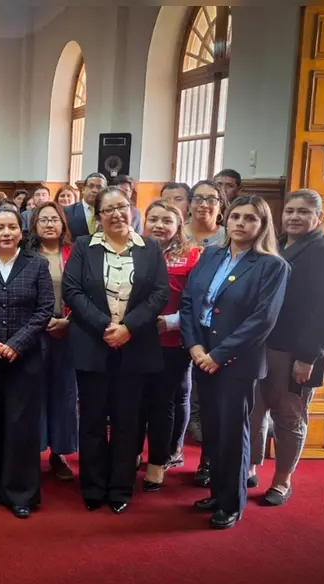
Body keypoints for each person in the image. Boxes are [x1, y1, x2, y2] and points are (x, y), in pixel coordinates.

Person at [180, 195, 289, 530]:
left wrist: (219, 355)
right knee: (211, 432)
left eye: (251, 219)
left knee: (233, 434)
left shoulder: (272, 266)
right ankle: (217, 491)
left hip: (235, 362)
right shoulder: (211, 254)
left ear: (263, 226)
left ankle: (231, 502)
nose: (241, 223)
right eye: (237, 217)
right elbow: (189, 302)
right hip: (203, 355)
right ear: (226, 220)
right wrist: (195, 346)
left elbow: (262, 320)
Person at [62, 186, 169, 514]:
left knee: (128, 421)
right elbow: (72, 290)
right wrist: (105, 327)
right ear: (98, 216)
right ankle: (93, 487)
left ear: (132, 210)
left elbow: (160, 294)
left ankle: (121, 488)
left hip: (135, 347)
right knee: (92, 419)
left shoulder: (150, 247)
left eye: (121, 207)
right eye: (107, 210)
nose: (116, 214)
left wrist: (128, 328)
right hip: (93, 345)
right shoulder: (84, 246)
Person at [250, 189, 324, 506]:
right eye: (290, 210)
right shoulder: (274, 244)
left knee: (289, 416)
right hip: (263, 345)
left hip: (298, 352)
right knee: (253, 412)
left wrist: (308, 358)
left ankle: (282, 481)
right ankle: (249, 467)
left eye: (303, 212)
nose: (294, 217)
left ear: (319, 217)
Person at [0, 206, 54, 519]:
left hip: (25, 357)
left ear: (21, 231)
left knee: (22, 425)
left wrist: (16, 344)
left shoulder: (37, 264)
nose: (6, 233)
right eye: (0, 228)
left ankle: (21, 493)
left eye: (12, 227)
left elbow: (45, 309)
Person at [139, 200, 202, 490]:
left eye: (166, 220)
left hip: (172, 342)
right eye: (153, 219)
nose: (159, 225)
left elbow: (198, 303)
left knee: (162, 404)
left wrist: (171, 322)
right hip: (135, 339)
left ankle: (157, 463)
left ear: (178, 225)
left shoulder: (193, 256)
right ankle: (131, 455)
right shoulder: (134, 250)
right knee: (135, 403)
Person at [28, 202, 78, 480]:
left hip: (68, 331)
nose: (49, 224)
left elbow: (86, 292)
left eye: (54, 219)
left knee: (65, 394)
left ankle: (59, 453)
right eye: (43, 219)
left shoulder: (75, 253)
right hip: (34, 334)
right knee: (35, 394)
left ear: (62, 224)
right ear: (34, 225)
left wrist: (68, 322)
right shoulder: (27, 255)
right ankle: (32, 449)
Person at [183, 180, 229, 485]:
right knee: (179, 394)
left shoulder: (229, 238)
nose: (203, 204)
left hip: (218, 333)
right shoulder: (177, 233)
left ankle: (209, 461)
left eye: (211, 199)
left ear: (221, 205)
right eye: (198, 198)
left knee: (214, 402)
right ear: (188, 203)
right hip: (181, 325)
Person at [184, 180, 228, 249]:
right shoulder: (175, 233)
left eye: (211, 200)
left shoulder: (228, 237)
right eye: (198, 199)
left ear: (220, 207)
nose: (204, 205)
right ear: (189, 205)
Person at [64, 172, 108, 239]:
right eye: (91, 186)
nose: (94, 190)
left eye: (99, 187)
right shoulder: (67, 211)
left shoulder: (109, 212)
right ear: (83, 189)